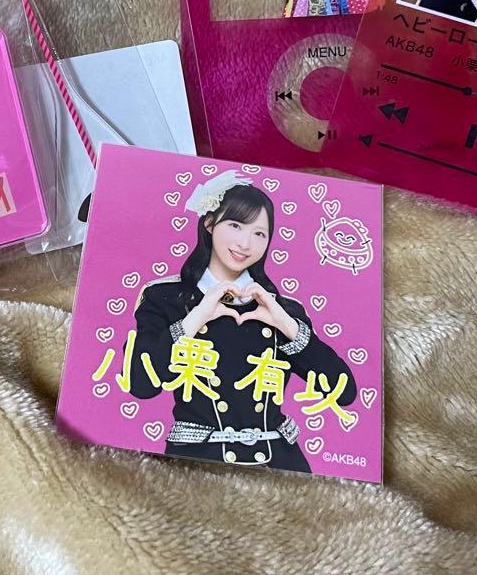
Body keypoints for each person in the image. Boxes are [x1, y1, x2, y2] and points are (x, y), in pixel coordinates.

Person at [130, 171, 357, 471]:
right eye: (235, 225)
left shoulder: (282, 308)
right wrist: (193, 320)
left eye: (259, 234)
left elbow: (344, 392)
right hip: (198, 464)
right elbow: (141, 385)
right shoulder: (164, 297)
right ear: (209, 223)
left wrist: (287, 326)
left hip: (278, 463)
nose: (245, 243)